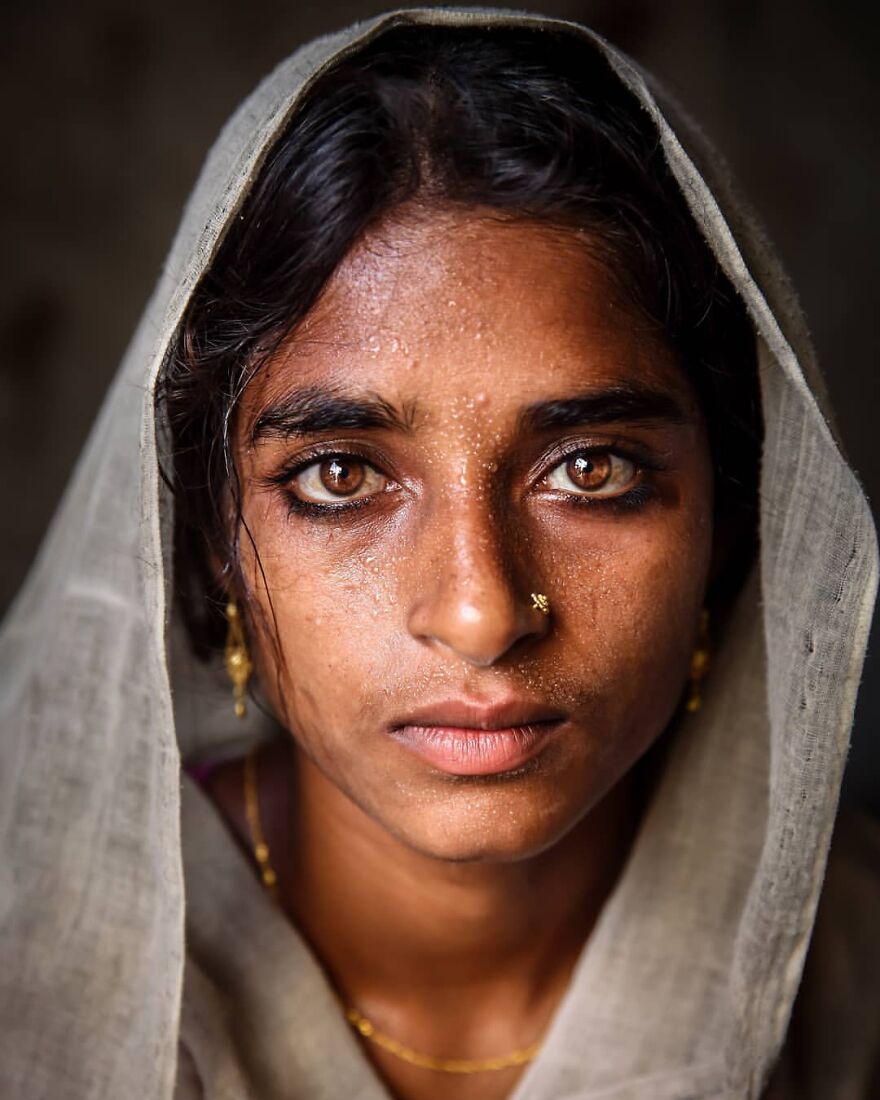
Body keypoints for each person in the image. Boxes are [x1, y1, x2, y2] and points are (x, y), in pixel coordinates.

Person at [1, 7, 877, 1100]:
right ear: (216, 536)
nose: (480, 612)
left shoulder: (849, 983)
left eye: (591, 467)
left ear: (731, 515)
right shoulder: (36, 966)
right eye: (341, 475)